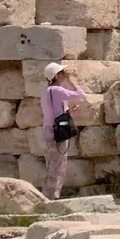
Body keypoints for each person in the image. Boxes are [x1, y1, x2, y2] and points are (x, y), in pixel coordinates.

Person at [40, 62, 84, 200]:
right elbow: (81, 95)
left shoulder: (46, 91)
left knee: (52, 166)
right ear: (57, 75)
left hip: (48, 131)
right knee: (58, 168)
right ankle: (51, 199)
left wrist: (68, 112)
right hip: (57, 133)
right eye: (62, 73)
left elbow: (54, 114)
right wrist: (71, 79)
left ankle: (47, 197)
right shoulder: (57, 90)